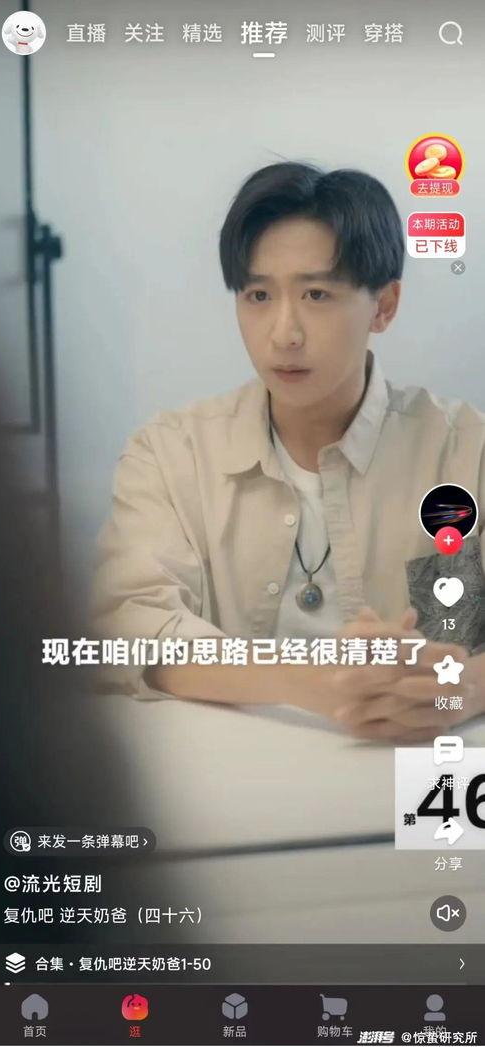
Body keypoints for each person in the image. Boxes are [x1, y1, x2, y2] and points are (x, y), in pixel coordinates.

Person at [90, 162, 485, 741]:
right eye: (257, 295)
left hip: (420, 771)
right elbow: (126, 627)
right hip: (236, 774)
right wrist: (301, 679)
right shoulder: (173, 454)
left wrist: (462, 687)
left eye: (316, 294)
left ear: (384, 305)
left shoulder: (464, 450)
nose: (283, 334)